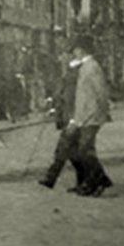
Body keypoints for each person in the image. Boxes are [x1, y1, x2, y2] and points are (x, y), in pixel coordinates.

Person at [68, 35, 114, 197]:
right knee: (84, 150)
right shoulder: (85, 66)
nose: (74, 53)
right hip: (85, 115)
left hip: (91, 115)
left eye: (75, 50)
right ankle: (92, 183)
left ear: (81, 50)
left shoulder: (92, 67)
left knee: (84, 150)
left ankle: (100, 180)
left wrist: (100, 111)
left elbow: (100, 92)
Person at [38, 52, 86, 191]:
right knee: (72, 153)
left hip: (72, 119)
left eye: (64, 56)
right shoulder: (67, 75)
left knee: (63, 150)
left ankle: (51, 178)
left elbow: (72, 99)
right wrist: (53, 105)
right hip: (68, 118)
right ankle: (82, 181)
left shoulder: (74, 75)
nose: (61, 59)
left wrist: (73, 118)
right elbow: (61, 96)